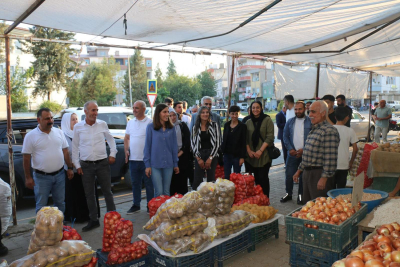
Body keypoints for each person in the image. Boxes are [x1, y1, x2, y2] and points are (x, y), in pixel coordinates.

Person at [72, 101, 117, 232]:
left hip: (103, 163)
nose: (95, 113)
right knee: (89, 194)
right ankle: (94, 220)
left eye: (96, 110)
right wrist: (77, 164)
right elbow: (74, 147)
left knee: (107, 191)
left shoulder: (102, 124)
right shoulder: (78, 127)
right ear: (85, 112)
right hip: (86, 165)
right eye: (93, 110)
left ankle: (113, 218)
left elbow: (111, 139)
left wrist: (113, 153)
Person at [22, 108, 74, 213]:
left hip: (59, 175)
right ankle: (42, 229)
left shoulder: (59, 132)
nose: (50, 121)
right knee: (41, 205)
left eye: (51, 118)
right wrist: (28, 177)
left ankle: (59, 227)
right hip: (41, 178)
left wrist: (69, 168)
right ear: (38, 120)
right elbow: (26, 158)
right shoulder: (30, 136)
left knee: (60, 203)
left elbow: (65, 152)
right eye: (47, 119)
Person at [293, 100, 340, 203]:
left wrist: (324, 178)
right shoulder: (314, 130)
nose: (310, 115)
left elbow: (330, 158)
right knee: (309, 207)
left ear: (323, 113)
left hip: (319, 175)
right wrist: (299, 171)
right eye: (309, 112)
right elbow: (307, 154)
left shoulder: (329, 131)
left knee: (320, 209)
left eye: (313, 112)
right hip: (307, 174)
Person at [124, 101, 154, 214]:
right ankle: (136, 205)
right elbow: (126, 138)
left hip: (146, 161)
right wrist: (126, 151)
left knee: (149, 184)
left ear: (143, 109)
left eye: (137, 108)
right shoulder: (130, 122)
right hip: (133, 159)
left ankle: (150, 206)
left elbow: (153, 141)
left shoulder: (150, 123)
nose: (134, 110)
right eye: (133, 108)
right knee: (135, 183)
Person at [144, 104, 179, 197]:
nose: (167, 114)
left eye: (168, 112)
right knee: (159, 192)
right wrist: (147, 165)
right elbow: (147, 146)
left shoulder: (171, 129)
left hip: (169, 164)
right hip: (155, 164)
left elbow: (174, 147)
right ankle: (158, 211)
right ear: (158, 113)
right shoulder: (150, 127)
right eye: (164, 112)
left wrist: (175, 164)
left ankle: (166, 211)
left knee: (166, 192)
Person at [281, 102, 311, 205]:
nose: (297, 111)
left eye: (300, 109)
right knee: (289, 175)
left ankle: (300, 196)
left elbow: (312, 139)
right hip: (292, 154)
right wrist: (290, 149)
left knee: (302, 178)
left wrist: (304, 149)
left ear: (305, 109)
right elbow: (285, 137)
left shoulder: (310, 122)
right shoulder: (289, 122)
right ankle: (288, 194)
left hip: (305, 155)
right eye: (296, 109)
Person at [61, 113, 90, 223]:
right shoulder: (63, 135)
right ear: (67, 122)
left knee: (83, 193)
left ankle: (84, 216)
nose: (75, 121)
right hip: (69, 170)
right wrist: (70, 166)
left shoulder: (80, 133)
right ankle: (73, 217)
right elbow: (65, 153)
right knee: (72, 194)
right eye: (72, 119)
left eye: (76, 119)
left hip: (82, 168)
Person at [245, 101, 274, 197]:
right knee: (256, 179)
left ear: (261, 108)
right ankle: (258, 199)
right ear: (250, 109)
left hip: (264, 155)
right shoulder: (248, 122)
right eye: (253, 108)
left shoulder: (267, 120)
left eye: (257, 107)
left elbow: (270, 137)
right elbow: (245, 138)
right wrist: (249, 151)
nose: (255, 110)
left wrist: (260, 151)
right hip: (252, 156)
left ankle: (265, 199)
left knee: (263, 179)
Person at [191, 106, 221, 189]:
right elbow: (193, 144)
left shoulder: (214, 125)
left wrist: (210, 158)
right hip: (199, 155)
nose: (205, 114)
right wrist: (198, 159)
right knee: (197, 180)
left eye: (207, 112)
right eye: (203, 112)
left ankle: (210, 200)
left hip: (212, 154)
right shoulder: (195, 127)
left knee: (211, 180)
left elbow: (218, 143)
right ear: (199, 114)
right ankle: (196, 199)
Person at [333, 107, 358, 189]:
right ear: (347, 117)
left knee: (330, 189)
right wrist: (351, 162)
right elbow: (355, 148)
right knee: (341, 189)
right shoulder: (350, 131)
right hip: (344, 165)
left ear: (335, 117)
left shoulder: (329, 129)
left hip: (329, 165)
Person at [169, 108, 191, 195]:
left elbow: (187, 142)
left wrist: (179, 154)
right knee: (172, 183)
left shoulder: (182, 126)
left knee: (182, 182)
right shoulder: (165, 128)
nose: (172, 117)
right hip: (170, 159)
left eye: (174, 115)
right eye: (170, 115)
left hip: (182, 158)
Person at [221, 105, 247, 180]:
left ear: (239, 114)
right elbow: (224, 139)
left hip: (237, 156)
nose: (234, 116)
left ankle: (236, 191)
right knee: (227, 176)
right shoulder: (226, 125)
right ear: (229, 114)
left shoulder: (242, 126)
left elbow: (244, 142)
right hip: (227, 155)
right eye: (232, 114)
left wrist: (242, 157)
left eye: (236, 114)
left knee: (237, 177)